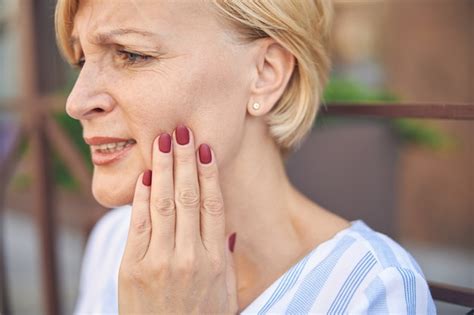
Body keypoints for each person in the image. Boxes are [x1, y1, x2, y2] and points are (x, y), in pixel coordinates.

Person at [55, 0, 436, 313]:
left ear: (266, 73)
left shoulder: (370, 288)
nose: (77, 102)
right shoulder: (115, 240)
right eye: (82, 61)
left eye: (132, 54)